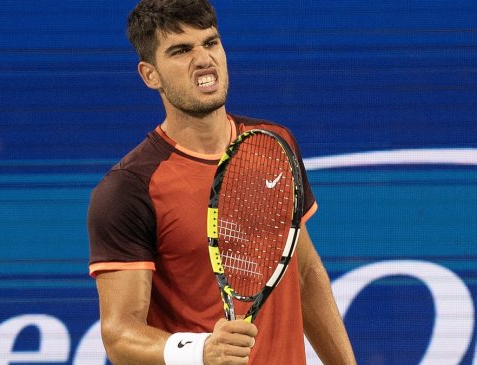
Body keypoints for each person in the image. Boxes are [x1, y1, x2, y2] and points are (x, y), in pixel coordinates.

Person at [87, 0, 357, 364]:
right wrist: (200, 351)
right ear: (150, 75)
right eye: (181, 50)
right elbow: (119, 335)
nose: (202, 59)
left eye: (210, 43)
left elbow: (305, 275)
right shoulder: (129, 188)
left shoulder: (274, 144)